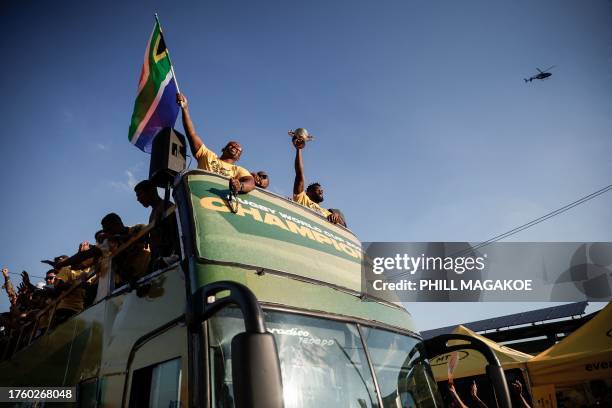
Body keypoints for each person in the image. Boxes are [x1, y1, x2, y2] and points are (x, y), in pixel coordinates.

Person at [176, 93, 254, 194]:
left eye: (239, 149)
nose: (236, 146)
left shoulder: (238, 170)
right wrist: (185, 109)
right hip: (200, 195)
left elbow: (250, 182)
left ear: (238, 158)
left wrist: (240, 186)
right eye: (232, 144)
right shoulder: (207, 155)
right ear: (223, 148)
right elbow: (191, 134)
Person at [291, 134, 346, 226]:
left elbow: (343, 226)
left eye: (322, 190)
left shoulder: (327, 212)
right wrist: (299, 149)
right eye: (318, 190)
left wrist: (337, 216)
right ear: (308, 193)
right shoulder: (303, 199)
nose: (321, 191)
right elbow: (299, 175)